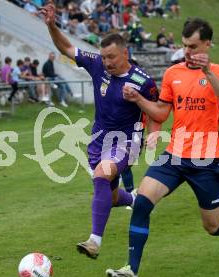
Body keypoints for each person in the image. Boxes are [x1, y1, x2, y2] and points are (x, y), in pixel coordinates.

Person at [105, 18, 219, 277]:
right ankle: (131, 269)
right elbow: (162, 112)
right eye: (185, 45)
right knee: (141, 203)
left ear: (207, 44)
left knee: (213, 226)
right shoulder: (174, 73)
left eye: (194, 46)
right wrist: (139, 100)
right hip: (174, 155)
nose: (187, 51)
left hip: (205, 160)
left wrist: (207, 71)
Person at [40, 3, 160, 259]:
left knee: (101, 175)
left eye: (111, 58)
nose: (106, 63)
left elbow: (156, 109)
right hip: (99, 140)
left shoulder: (142, 81)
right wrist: (51, 25)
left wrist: (153, 132)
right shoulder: (96, 65)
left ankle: (94, 241)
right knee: (112, 195)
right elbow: (66, 47)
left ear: (125, 53)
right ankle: (136, 200)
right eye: (104, 58)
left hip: (127, 141)